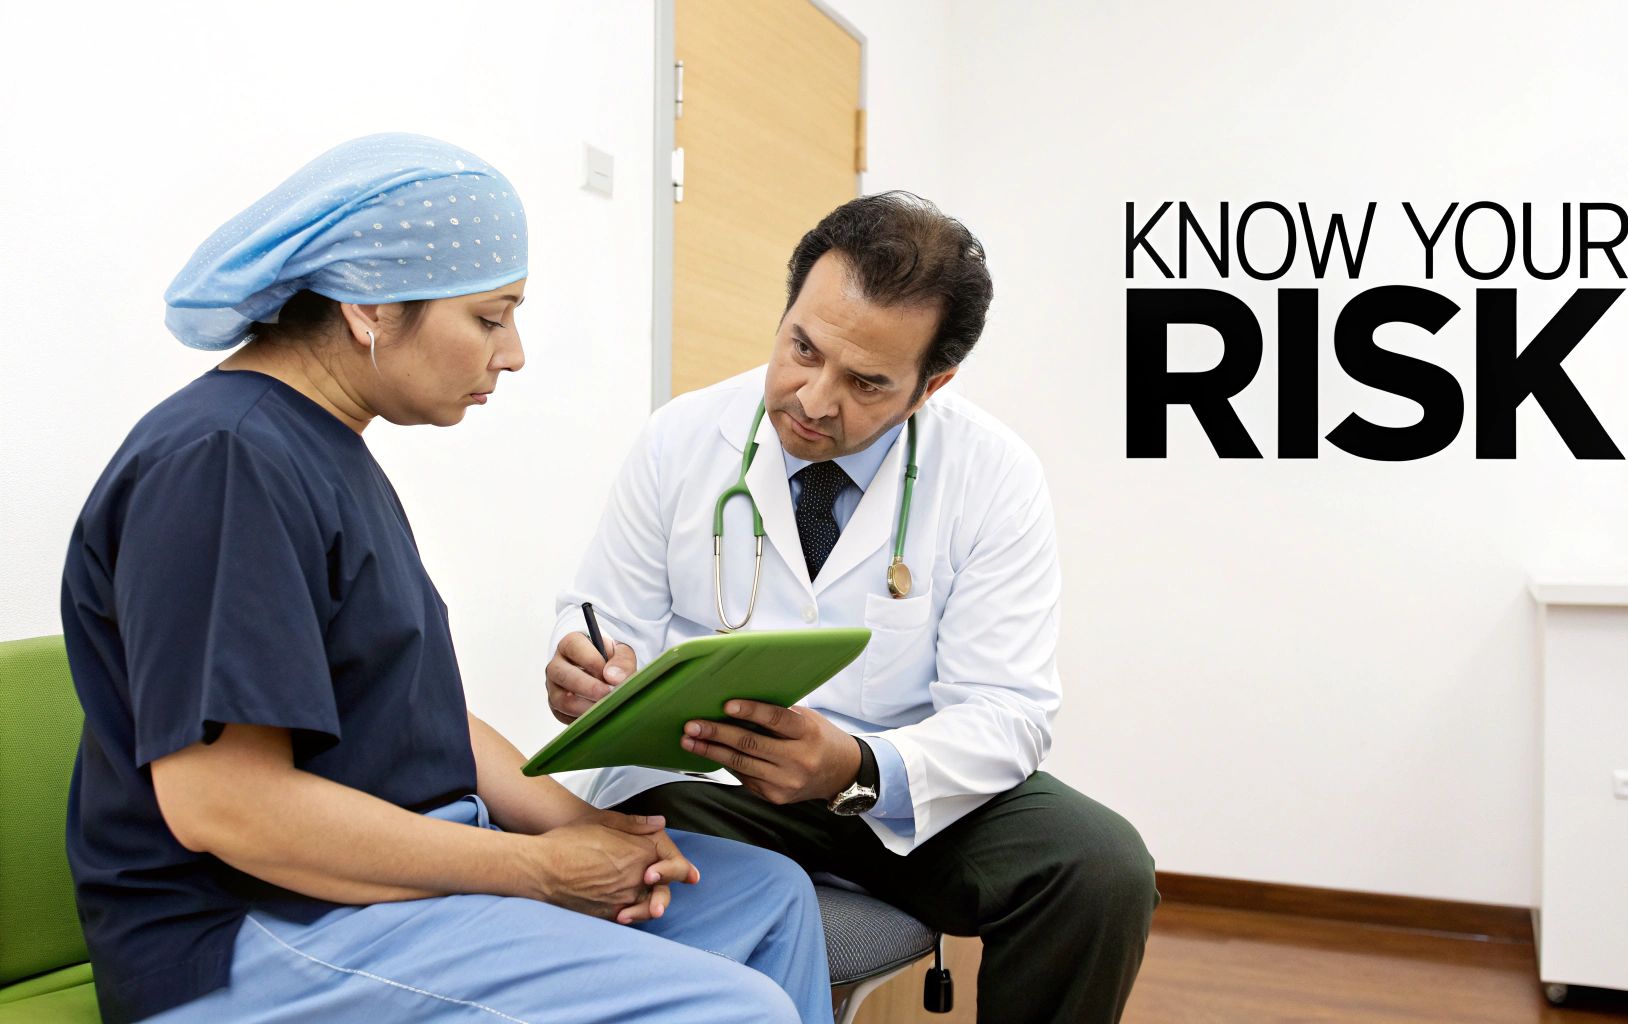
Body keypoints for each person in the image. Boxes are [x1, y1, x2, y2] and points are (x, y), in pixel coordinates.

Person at [60, 133, 833, 1024]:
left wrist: (575, 828)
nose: (513, 354)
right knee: (738, 1009)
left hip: (396, 878)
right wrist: (534, 871)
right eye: (490, 317)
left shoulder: (326, 450)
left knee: (768, 897)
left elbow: (420, 720)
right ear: (370, 311)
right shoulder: (225, 461)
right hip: (248, 932)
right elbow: (226, 808)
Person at [545, 192, 1157, 1023]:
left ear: (930, 383)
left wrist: (859, 768)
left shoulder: (992, 474)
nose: (814, 398)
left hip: (900, 797)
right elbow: (602, 620)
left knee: (1100, 866)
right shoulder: (681, 440)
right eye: (802, 348)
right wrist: (588, 670)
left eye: (867, 382)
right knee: (622, 829)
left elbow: (1009, 711)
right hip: (715, 790)